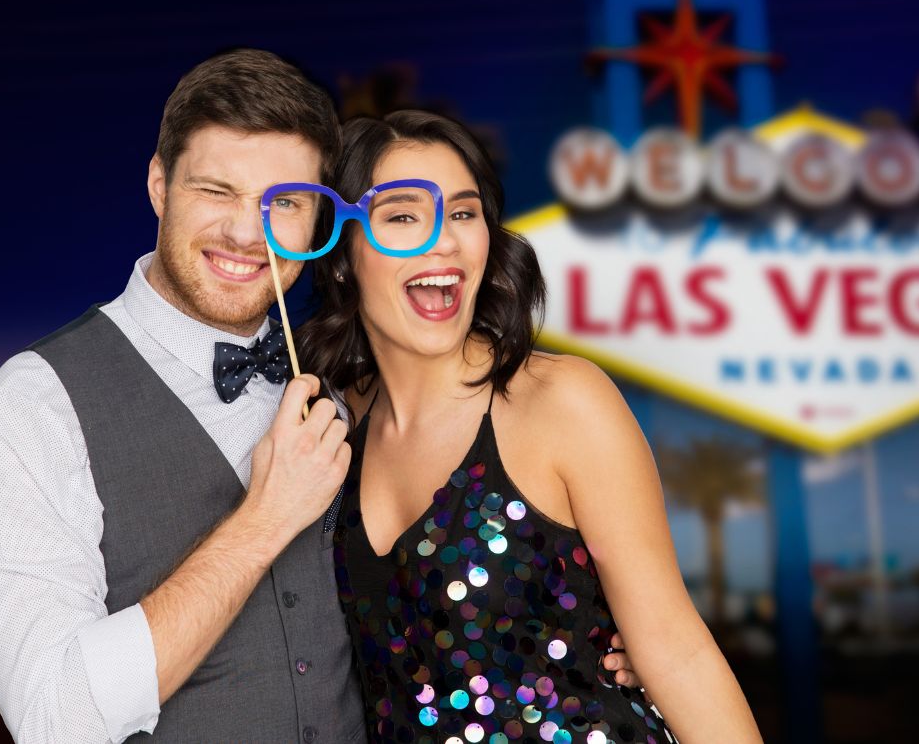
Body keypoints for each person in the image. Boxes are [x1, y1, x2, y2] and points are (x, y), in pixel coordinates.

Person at [0, 48, 362, 743]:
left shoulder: (331, 385)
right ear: (160, 186)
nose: (246, 232)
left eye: (284, 202)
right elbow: (54, 717)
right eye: (216, 191)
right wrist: (264, 519)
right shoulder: (30, 408)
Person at [299, 111, 763, 743]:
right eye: (403, 216)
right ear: (343, 256)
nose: (443, 240)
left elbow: (677, 652)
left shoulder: (561, 401)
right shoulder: (331, 424)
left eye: (463, 213)